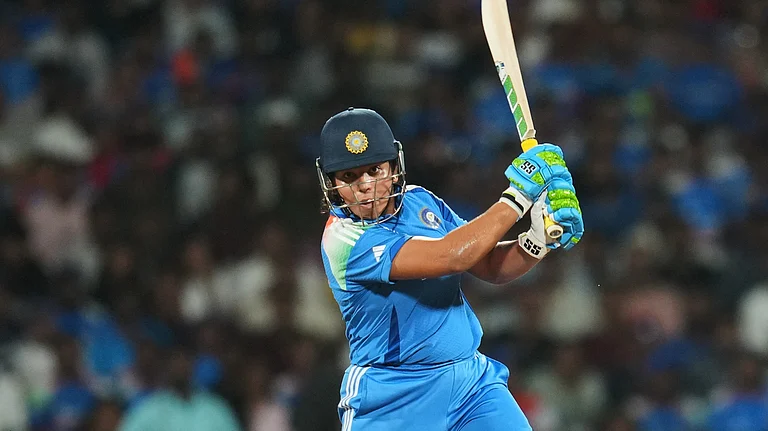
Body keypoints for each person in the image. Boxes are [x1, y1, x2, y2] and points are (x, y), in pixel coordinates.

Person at [316, 107, 584, 431]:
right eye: (350, 177)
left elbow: (487, 265)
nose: (366, 186)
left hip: (471, 383)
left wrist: (536, 241)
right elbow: (451, 257)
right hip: (394, 395)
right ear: (329, 181)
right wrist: (517, 197)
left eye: (375, 169)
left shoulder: (420, 201)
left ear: (394, 165)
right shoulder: (342, 239)